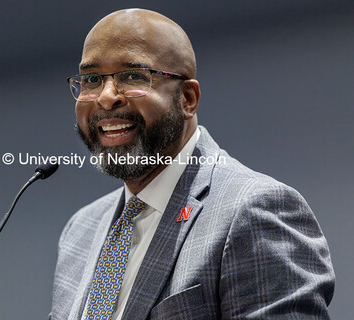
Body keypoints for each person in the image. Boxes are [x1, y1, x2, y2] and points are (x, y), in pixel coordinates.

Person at [50, 8, 335, 320]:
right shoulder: (81, 228)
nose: (106, 97)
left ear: (187, 98)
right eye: (91, 79)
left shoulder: (253, 210)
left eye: (132, 76)